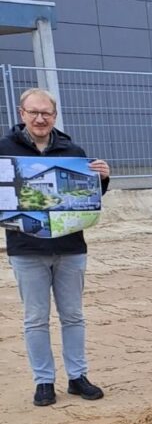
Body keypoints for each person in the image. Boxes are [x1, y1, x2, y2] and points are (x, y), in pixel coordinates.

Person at [2, 88, 109, 406]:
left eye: (46, 113)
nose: (40, 118)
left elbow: (84, 200)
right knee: (35, 318)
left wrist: (101, 179)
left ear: (54, 116)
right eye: (33, 112)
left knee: (73, 315)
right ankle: (44, 381)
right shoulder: (4, 151)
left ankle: (77, 376)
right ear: (21, 114)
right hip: (26, 249)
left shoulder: (71, 150)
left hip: (70, 248)